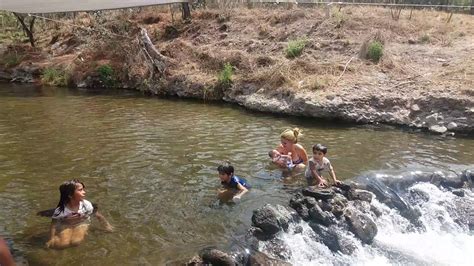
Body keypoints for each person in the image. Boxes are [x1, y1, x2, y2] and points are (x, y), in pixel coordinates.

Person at [45, 179, 113, 249]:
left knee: (76, 242)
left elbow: (98, 215)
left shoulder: (86, 205)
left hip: (82, 223)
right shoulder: (60, 210)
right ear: (70, 195)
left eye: (83, 189)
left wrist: (107, 225)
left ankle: (82, 232)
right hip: (66, 225)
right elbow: (54, 224)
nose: (84, 192)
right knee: (62, 244)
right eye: (80, 190)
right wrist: (51, 238)